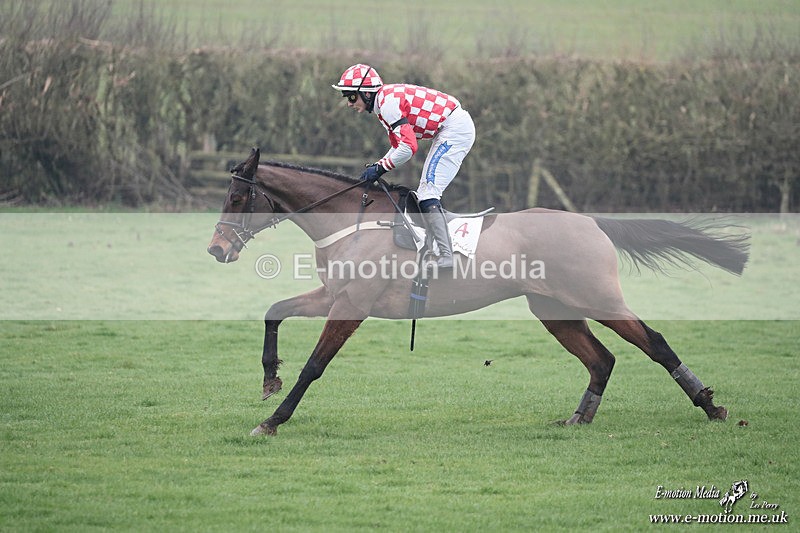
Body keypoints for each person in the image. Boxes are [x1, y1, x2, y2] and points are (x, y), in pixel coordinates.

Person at [332, 63, 476, 269]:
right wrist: (378, 165)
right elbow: (399, 147)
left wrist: (380, 169)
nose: (348, 103)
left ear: (366, 93)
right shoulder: (384, 104)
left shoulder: (388, 105)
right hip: (450, 127)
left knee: (428, 193)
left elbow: (408, 148)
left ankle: (446, 256)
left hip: (455, 129)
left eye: (351, 96)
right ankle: (437, 244)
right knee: (426, 191)